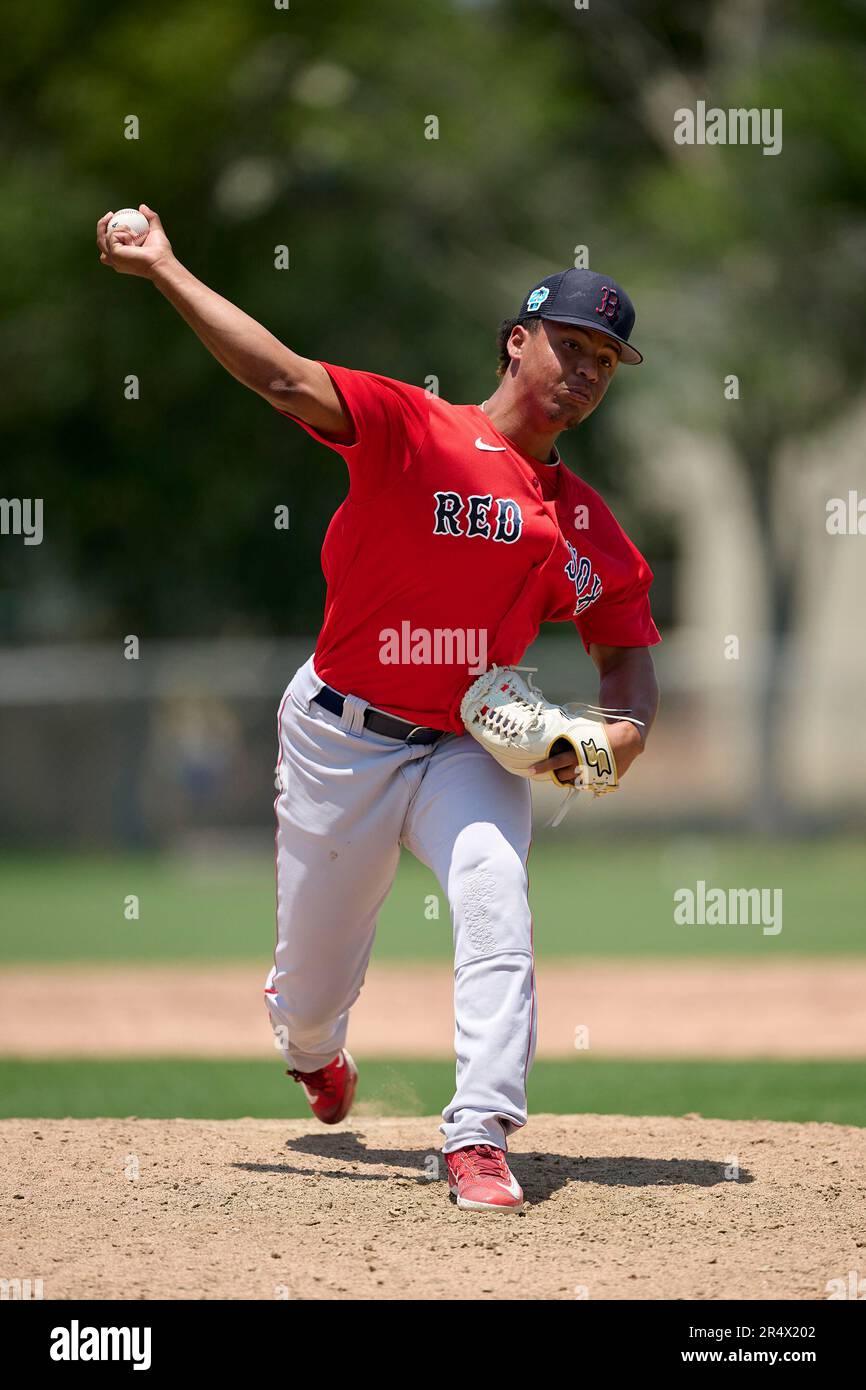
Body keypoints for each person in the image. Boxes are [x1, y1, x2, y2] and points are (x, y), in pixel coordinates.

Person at [98, 206, 660, 1214]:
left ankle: (479, 1132)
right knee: (312, 993)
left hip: (470, 744)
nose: (581, 373)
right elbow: (280, 375)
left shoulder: (586, 527)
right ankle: (311, 1045)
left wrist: (611, 743)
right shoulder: (415, 429)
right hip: (337, 735)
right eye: (568, 347)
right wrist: (166, 270)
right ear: (515, 340)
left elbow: (625, 661)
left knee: (495, 897)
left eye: (602, 363)